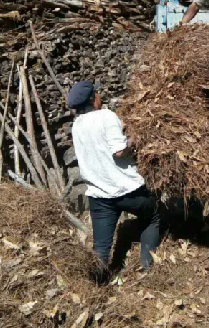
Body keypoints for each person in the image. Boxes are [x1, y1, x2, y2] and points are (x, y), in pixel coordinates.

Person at [68, 81, 160, 276]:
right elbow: (119, 151)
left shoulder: (77, 125)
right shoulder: (106, 116)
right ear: (93, 98)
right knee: (153, 217)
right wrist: (133, 142)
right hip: (128, 191)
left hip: (99, 196)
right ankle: (147, 266)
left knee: (101, 247)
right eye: (98, 93)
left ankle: (96, 283)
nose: (101, 96)